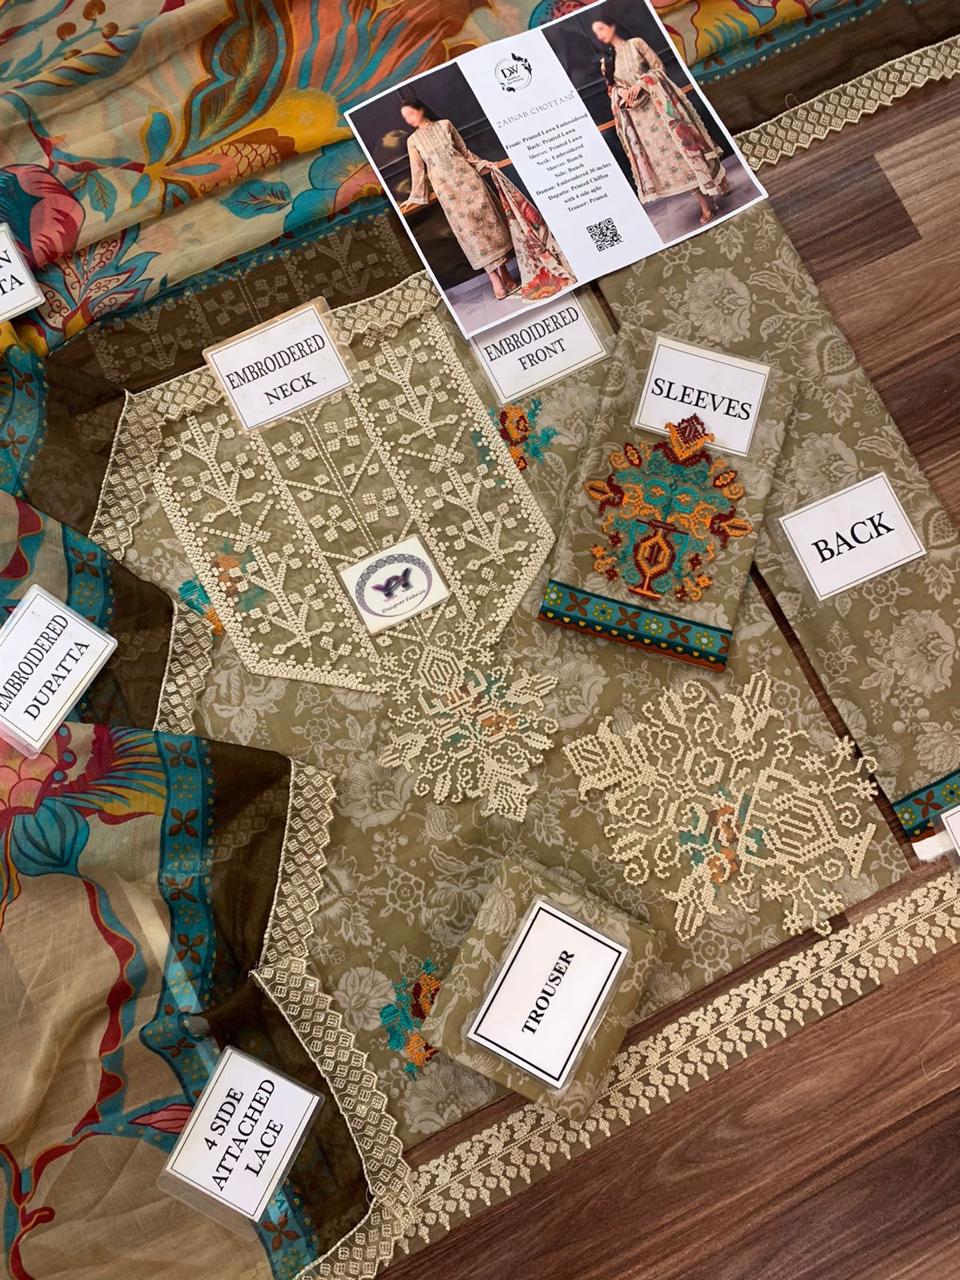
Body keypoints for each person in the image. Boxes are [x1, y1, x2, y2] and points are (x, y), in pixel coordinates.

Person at [397, 99, 575, 303]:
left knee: (490, 230)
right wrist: (414, 196)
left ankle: (505, 275)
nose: (408, 120)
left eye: (410, 113)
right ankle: (494, 279)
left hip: (471, 182)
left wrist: (484, 164)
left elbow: (464, 152)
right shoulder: (413, 140)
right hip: (449, 194)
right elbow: (418, 171)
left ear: (421, 109)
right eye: (405, 117)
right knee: (472, 236)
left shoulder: (445, 125)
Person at [592, 14, 727, 225]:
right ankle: (705, 203)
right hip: (641, 122)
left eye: (601, 29)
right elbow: (611, 89)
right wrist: (621, 92)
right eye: (596, 33)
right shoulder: (606, 62)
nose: (599, 35)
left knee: (685, 149)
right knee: (673, 160)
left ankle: (718, 182)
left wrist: (640, 84)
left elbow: (658, 68)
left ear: (612, 26)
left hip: (660, 110)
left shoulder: (636, 44)